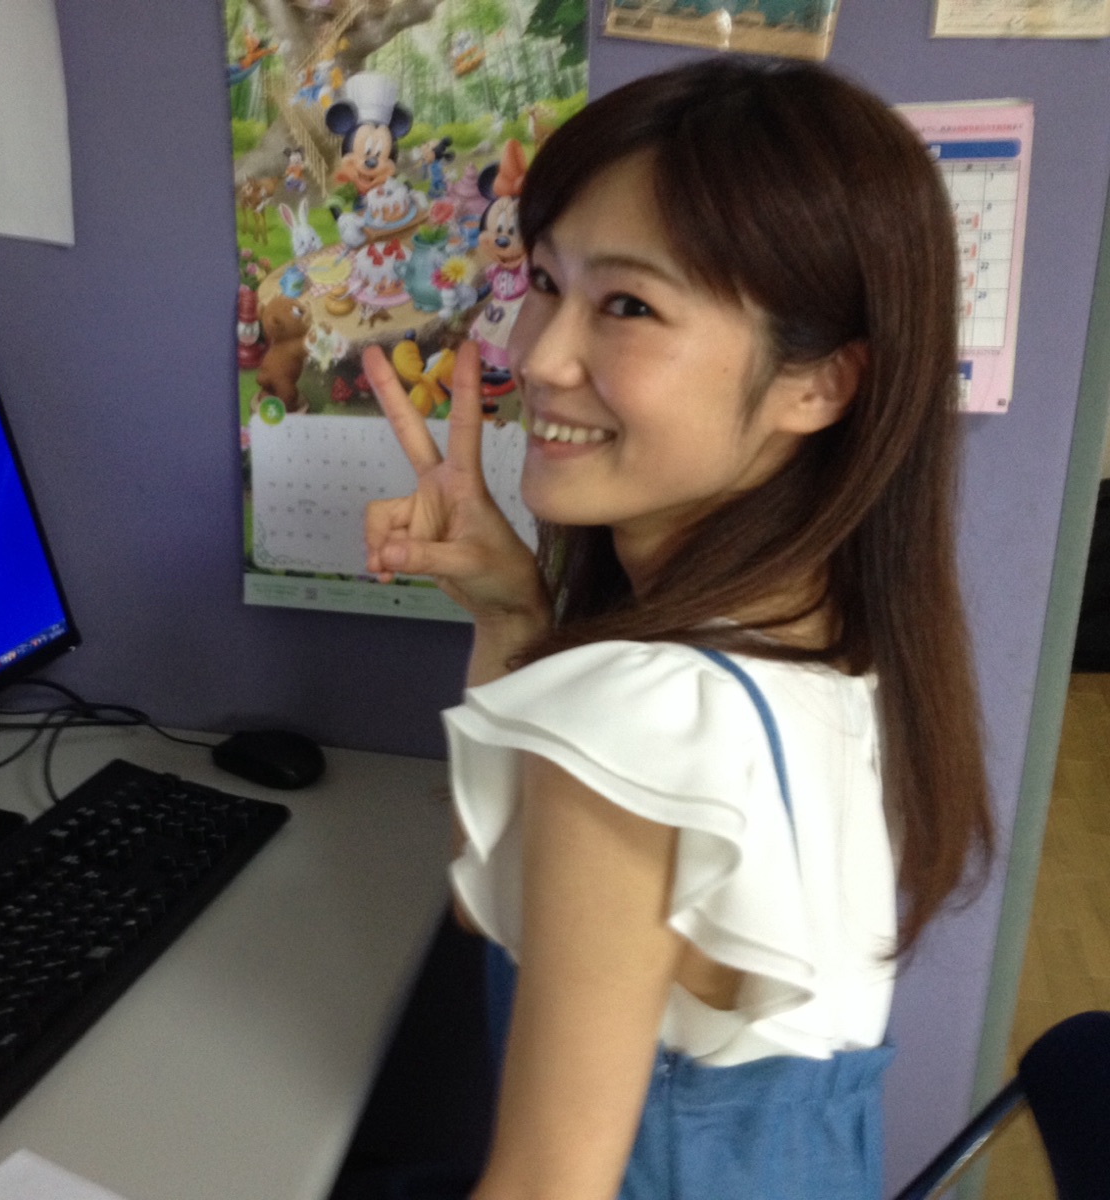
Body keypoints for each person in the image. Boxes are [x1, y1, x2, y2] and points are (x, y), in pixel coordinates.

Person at [361, 58, 993, 1200]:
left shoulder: (646, 720)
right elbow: (494, 899)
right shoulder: (832, 640)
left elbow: (546, 1186)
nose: (536, 356)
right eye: (545, 281)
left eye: (628, 306)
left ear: (817, 385)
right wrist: (514, 613)